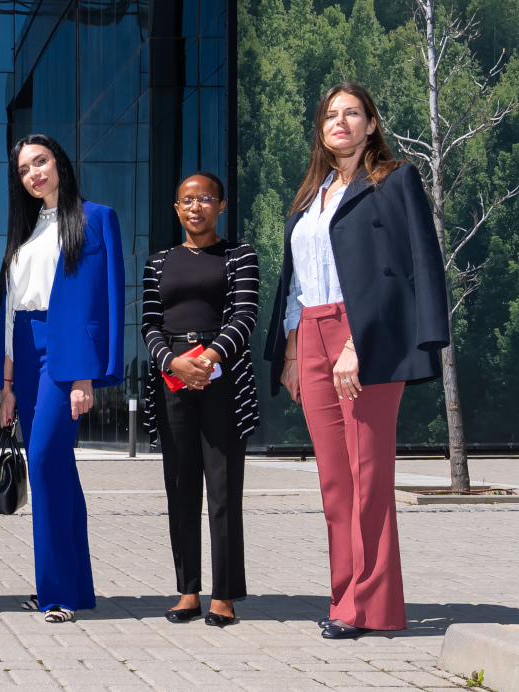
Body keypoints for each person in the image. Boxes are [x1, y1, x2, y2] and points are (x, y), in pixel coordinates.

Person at [264, 82, 449, 640]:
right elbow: (298, 280)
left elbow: (413, 267)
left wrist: (358, 345)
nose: (339, 122)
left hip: (365, 337)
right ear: (321, 129)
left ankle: (370, 607)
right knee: (335, 483)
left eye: (351, 113)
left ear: (371, 124)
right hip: (310, 334)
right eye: (330, 115)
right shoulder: (311, 196)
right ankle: (344, 596)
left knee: (369, 476)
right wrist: (292, 349)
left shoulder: (394, 181)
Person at [0, 134, 123, 624]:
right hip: (24, 354)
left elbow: (103, 299)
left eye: (40, 161)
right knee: (59, 468)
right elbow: (9, 313)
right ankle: (76, 587)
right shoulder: (23, 233)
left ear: (60, 162)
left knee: (45, 459)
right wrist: (6, 384)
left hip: (65, 353)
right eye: (24, 169)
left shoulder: (96, 218)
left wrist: (85, 373)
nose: (34, 174)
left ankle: (56, 593)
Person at [139, 171, 259, 628]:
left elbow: (245, 315)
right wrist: (173, 363)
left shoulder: (239, 255)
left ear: (221, 206)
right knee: (181, 488)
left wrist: (206, 359)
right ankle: (188, 590)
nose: (196, 206)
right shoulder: (158, 263)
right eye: (187, 200)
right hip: (172, 380)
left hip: (222, 379)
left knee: (223, 491)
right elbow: (149, 324)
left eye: (206, 198)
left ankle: (224, 594)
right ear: (177, 209)